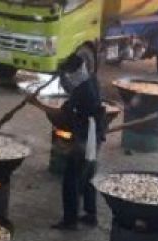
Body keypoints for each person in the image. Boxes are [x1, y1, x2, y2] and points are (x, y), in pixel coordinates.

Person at [31, 53, 106, 230]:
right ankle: (90, 215)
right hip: (95, 135)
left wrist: (36, 104)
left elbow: (63, 113)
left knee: (71, 178)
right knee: (88, 175)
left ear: (75, 73)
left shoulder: (81, 91)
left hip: (85, 137)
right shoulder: (92, 81)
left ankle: (70, 220)